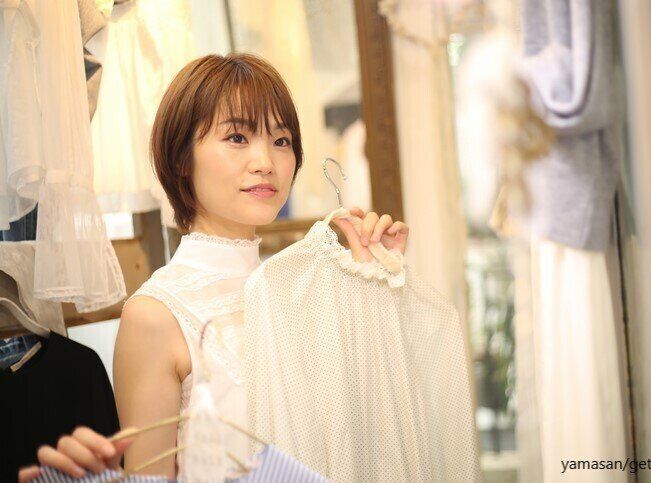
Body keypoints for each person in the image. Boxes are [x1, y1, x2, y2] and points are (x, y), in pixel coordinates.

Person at [18, 53, 408, 481]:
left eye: (281, 141)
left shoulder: (301, 290)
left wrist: (375, 281)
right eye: (237, 137)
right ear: (182, 158)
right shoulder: (156, 314)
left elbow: (370, 437)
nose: (265, 161)